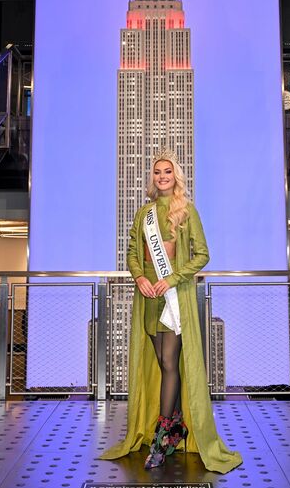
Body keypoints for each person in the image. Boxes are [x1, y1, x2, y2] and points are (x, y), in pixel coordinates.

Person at [98, 150, 242, 473]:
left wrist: (172, 278)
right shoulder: (144, 213)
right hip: (149, 298)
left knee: (168, 361)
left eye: (167, 172)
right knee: (163, 365)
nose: (162, 177)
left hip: (175, 297)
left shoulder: (186, 211)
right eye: (157, 173)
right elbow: (133, 251)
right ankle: (175, 425)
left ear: (175, 176)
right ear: (153, 178)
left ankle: (163, 436)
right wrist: (140, 278)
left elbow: (203, 255)